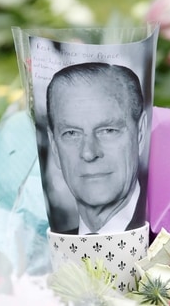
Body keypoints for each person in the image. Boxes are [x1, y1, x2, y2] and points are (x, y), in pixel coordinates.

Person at [45, 62, 148, 235]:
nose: (88, 153)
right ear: (54, 145)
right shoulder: (39, 247)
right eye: (71, 133)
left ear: (140, 133)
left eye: (108, 130)